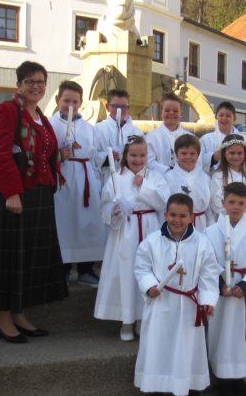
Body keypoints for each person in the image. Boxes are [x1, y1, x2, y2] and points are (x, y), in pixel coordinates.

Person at [0, 61, 67, 343]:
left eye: (41, 81)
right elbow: (0, 154)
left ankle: (19, 313)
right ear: (19, 85)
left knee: (29, 257)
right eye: (29, 81)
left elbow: (45, 152)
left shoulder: (42, 117)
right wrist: (11, 192)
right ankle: (2, 318)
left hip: (41, 196)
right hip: (17, 195)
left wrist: (58, 164)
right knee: (10, 258)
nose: (36, 86)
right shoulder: (8, 110)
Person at [134, 193, 220, 396]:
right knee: (158, 346)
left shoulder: (202, 243)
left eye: (182, 216)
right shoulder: (152, 241)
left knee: (186, 349)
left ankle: (186, 386)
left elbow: (209, 273)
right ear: (165, 215)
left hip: (189, 307)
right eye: (172, 215)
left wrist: (207, 299)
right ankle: (157, 386)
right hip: (160, 302)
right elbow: (141, 267)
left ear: (191, 217)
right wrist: (149, 286)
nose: (177, 220)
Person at [94, 135, 169, 342]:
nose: (138, 159)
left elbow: (163, 202)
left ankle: (143, 319)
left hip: (149, 228)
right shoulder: (115, 178)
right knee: (126, 273)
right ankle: (126, 319)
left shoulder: (154, 177)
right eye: (133, 155)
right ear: (125, 156)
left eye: (142, 155)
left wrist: (143, 185)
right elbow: (104, 206)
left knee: (149, 271)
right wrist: (115, 210)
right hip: (125, 231)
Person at [205, 182, 246, 396]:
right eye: (231, 202)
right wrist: (220, 284)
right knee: (221, 334)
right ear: (223, 202)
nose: (235, 207)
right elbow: (206, 260)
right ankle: (223, 379)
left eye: (241, 203)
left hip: (244, 294)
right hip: (222, 294)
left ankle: (239, 377)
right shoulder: (210, 232)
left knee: (242, 335)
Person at [48, 80, 105, 287]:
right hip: (62, 178)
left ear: (81, 103)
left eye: (75, 101)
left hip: (85, 178)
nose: (70, 105)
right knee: (64, 223)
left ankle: (86, 269)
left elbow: (95, 154)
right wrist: (57, 154)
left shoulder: (89, 128)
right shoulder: (50, 124)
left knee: (87, 223)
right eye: (66, 100)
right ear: (57, 100)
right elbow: (43, 153)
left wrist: (108, 157)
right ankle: (62, 269)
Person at [94, 89, 143, 184]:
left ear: (128, 108)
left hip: (130, 180)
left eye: (124, 107)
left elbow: (144, 158)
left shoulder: (137, 132)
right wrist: (106, 158)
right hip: (106, 180)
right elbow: (92, 155)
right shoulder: (98, 129)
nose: (120, 110)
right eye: (115, 106)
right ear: (107, 106)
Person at [166, 134, 211, 232]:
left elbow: (209, 209)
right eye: (184, 153)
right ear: (176, 155)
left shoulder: (205, 178)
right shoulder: (168, 177)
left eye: (192, 153)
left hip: (200, 224)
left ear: (198, 155)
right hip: (176, 225)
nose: (188, 157)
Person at [210, 134, 246, 223]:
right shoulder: (218, 177)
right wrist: (243, 199)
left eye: (240, 153)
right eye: (232, 153)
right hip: (226, 221)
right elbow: (215, 205)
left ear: (245, 154)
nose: (236, 156)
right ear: (224, 154)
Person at [145, 92, 194, 174]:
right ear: (161, 113)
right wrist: (168, 172)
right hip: (159, 181)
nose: (171, 113)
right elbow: (148, 161)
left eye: (175, 111)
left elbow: (197, 162)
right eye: (167, 110)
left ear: (181, 113)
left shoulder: (190, 138)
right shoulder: (151, 136)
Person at [200, 101, 246, 173]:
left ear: (234, 119)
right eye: (221, 115)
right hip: (212, 179)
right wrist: (213, 158)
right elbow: (199, 160)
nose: (224, 118)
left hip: (236, 178)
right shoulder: (205, 139)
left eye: (228, 116)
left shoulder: (244, 139)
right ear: (216, 117)